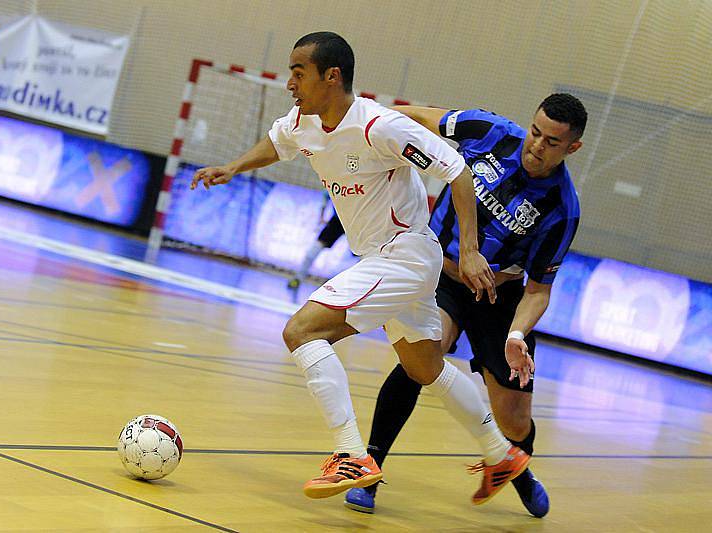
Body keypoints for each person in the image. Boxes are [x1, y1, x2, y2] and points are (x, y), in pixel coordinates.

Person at [191, 31, 530, 504]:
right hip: (381, 258)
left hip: (405, 253)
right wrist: (231, 167)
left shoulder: (379, 127)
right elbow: (276, 142)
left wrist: (470, 249)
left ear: (332, 76)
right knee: (427, 367)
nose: (290, 83)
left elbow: (457, 170)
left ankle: (351, 453)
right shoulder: (302, 121)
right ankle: (501, 454)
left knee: (302, 331)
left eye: (298, 72)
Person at [344, 94, 586, 517]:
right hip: (439, 273)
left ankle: (513, 468)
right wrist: (363, 130)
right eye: (535, 132)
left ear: (572, 148)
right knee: (423, 356)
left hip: (499, 298)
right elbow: (411, 115)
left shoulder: (562, 209)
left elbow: (538, 289)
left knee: (514, 421)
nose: (536, 146)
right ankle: (370, 465)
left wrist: (515, 335)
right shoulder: (488, 131)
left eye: (552, 142)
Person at [288, 209, 345, 289]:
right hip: (336, 223)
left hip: (356, 228)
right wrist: (321, 216)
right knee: (311, 254)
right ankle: (298, 279)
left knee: (359, 259)